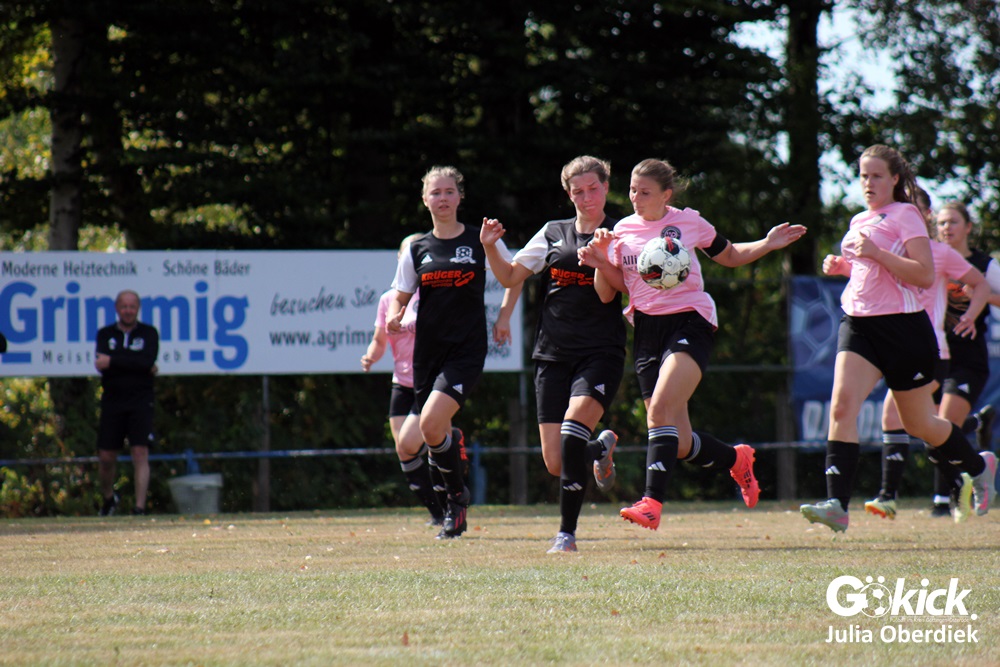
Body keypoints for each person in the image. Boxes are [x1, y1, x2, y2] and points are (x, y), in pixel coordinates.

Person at [577, 158, 807, 532]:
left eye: (644, 192)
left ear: (666, 195)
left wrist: (767, 243)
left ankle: (651, 503)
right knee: (680, 442)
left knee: (660, 411)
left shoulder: (688, 222)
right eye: (632, 190)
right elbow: (611, 291)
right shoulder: (621, 230)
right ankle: (736, 459)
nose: (635, 197)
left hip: (690, 321)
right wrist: (601, 261)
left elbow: (729, 255)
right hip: (647, 331)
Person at [800, 144, 997, 533]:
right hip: (858, 323)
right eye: (863, 175)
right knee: (842, 407)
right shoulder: (859, 219)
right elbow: (868, 272)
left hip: (903, 330)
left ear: (894, 179)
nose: (868, 183)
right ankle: (837, 505)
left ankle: (979, 466)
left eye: (876, 175)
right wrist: (843, 266)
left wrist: (875, 253)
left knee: (919, 424)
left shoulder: (907, 215)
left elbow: (923, 274)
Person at [481, 155, 625, 554]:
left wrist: (600, 260)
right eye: (577, 191)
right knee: (557, 462)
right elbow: (510, 276)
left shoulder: (620, 234)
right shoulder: (552, 232)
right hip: (552, 353)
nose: (586, 197)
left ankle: (566, 534)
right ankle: (599, 449)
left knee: (572, 430)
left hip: (599, 352)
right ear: (568, 194)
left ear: (605, 188)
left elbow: (608, 294)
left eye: (593, 188)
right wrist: (490, 247)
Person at [387, 165, 511, 539]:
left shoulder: (479, 238)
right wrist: (395, 314)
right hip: (427, 353)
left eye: (449, 191)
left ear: (460, 197)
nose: (442, 198)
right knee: (427, 434)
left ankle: (456, 501)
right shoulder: (416, 248)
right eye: (435, 192)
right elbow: (401, 294)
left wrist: (504, 317)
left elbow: (513, 276)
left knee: (429, 425)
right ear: (425, 199)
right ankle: (453, 488)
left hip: (466, 350)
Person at [863, 189, 990, 522]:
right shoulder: (890, 251)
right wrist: (842, 268)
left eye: (913, 209)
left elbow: (980, 284)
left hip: (932, 351)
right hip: (901, 348)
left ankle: (889, 497)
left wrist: (969, 315)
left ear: (926, 216)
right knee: (925, 427)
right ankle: (968, 472)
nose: (903, 214)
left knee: (896, 415)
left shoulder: (939, 253)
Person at [361, 233, 447, 526]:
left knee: (414, 441)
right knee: (404, 450)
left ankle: (452, 492)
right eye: (406, 255)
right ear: (400, 260)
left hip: (430, 381)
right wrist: (371, 356)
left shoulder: (433, 294)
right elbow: (379, 340)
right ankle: (438, 513)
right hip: (402, 381)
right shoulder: (389, 299)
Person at [929, 201, 1000, 518]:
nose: (946, 228)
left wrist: (981, 296)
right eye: (942, 222)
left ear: (968, 227)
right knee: (931, 430)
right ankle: (977, 424)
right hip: (934, 356)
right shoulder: (930, 260)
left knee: (943, 426)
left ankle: (946, 499)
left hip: (967, 359)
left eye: (953, 222)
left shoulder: (983, 265)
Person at [95, 289, 159, 516]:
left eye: (132, 306)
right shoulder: (105, 334)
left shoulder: (149, 333)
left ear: (138, 308)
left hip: (140, 401)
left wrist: (113, 361)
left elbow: (147, 361)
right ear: (117, 308)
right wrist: (136, 364)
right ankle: (109, 498)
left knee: (140, 452)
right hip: (113, 401)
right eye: (124, 306)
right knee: (106, 457)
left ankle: (139, 508)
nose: (128, 310)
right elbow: (102, 364)